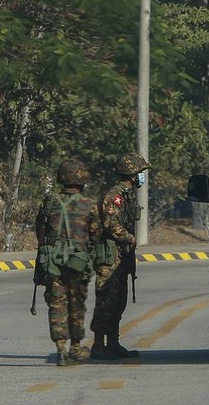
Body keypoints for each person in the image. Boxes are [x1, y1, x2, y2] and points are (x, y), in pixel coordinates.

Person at [35, 159, 99, 366]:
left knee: (56, 305)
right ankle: (75, 348)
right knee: (76, 303)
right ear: (82, 180)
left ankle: (60, 349)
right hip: (78, 262)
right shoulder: (88, 205)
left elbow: (40, 230)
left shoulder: (50, 202)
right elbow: (96, 235)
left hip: (52, 261)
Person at [90, 151, 150, 360]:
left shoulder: (127, 195)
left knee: (118, 301)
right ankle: (98, 345)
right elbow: (110, 224)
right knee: (106, 300)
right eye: (140, 172)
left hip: (121, 256)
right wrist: (129, 238)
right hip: (109, 256)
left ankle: (113, 343)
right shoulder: (114, 195)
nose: (142, 177)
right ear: (131, 173)